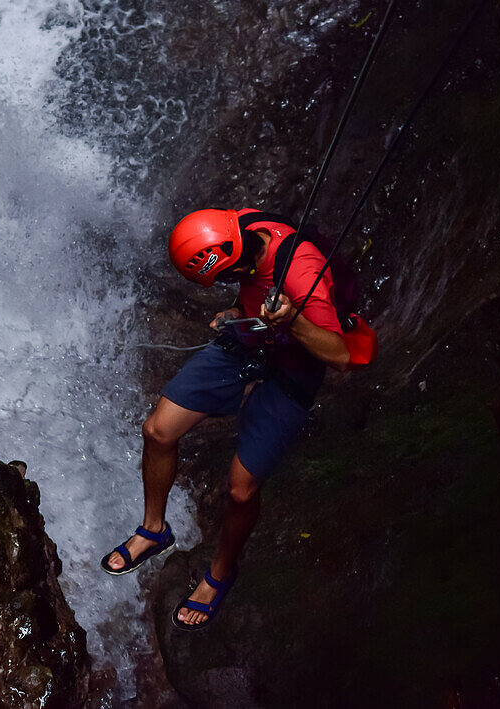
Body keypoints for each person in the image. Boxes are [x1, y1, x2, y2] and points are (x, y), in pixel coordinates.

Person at [101, 208, 350, 630]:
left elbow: (340, 355)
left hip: (293, 363)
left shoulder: (302, 271)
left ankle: (220, 573)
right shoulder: (243, 227)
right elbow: (249, 283)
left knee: (239, 490)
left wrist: (293, 320)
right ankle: (155, 529)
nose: (226, 282)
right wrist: (238, 312)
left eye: (225, 276)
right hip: (250, 339)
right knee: (158, 431)